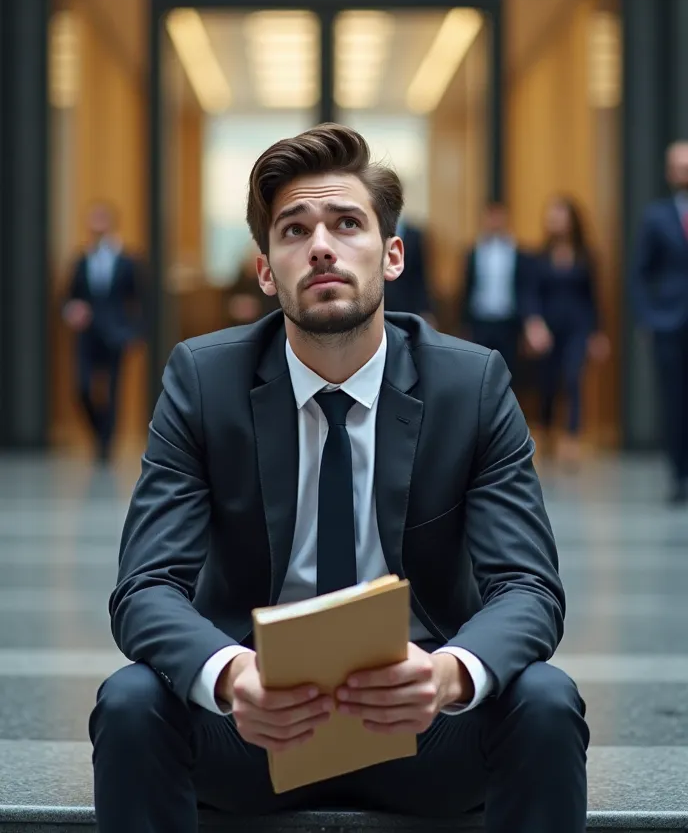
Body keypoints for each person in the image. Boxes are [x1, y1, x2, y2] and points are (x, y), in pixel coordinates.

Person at [90, 124, 588, 833]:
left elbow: (529, 587)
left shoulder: (470, 386)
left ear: (391, 256)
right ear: (266, 271)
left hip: (424, 725)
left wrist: (448, 674)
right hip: (256, 726)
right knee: (130, 700)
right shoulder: (203, 382)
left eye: (347, 223)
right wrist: (233, 677)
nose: (321, 244)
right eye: (294, 230)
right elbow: (144, 587)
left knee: (545, 698)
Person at [523, 196, 609, 467]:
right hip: (548, 329)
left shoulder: (586, 256)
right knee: (548, 384)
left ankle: (572, 440)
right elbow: (531, 295)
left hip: (578, 328)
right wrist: (534, 324)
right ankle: (547, 433)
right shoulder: (539, 257)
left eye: (561, 216)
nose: (556, 222)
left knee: (573, 379)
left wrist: (597, 333)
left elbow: (594, 298)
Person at [63, 202, 145, 462]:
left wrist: (136, 332)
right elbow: (67, 297)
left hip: (116, 334)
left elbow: (141, 299)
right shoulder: (81, 259)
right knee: (83, 387)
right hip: (87, 335)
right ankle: (99, 432)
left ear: (110, 223)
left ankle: (106, 447)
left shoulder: (127, 260)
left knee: (113, 391)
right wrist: (71, 310)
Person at [632, 141, 688, 505]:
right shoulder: (655, 216)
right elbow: (639, 273)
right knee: (674, 400)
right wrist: (649, 318)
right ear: (669, 172)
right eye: (678, 165)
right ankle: (678, 475)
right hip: (671, 323)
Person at [461, 202, 527, 374]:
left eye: (499, 216)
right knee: (479, 372)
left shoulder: (516, 251)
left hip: (508, 323)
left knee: (508, 372)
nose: (495, 221)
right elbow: (466, 288)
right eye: (491, 216)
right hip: (480, 321)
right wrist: (465, 323)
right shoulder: (474, 251)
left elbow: (523, 288)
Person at [383, 216, 434, 323]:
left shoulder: (414, 235)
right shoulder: (376, 230)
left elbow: (420, 277)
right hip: (381, 304)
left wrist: (425, 310)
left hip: (407, 305)